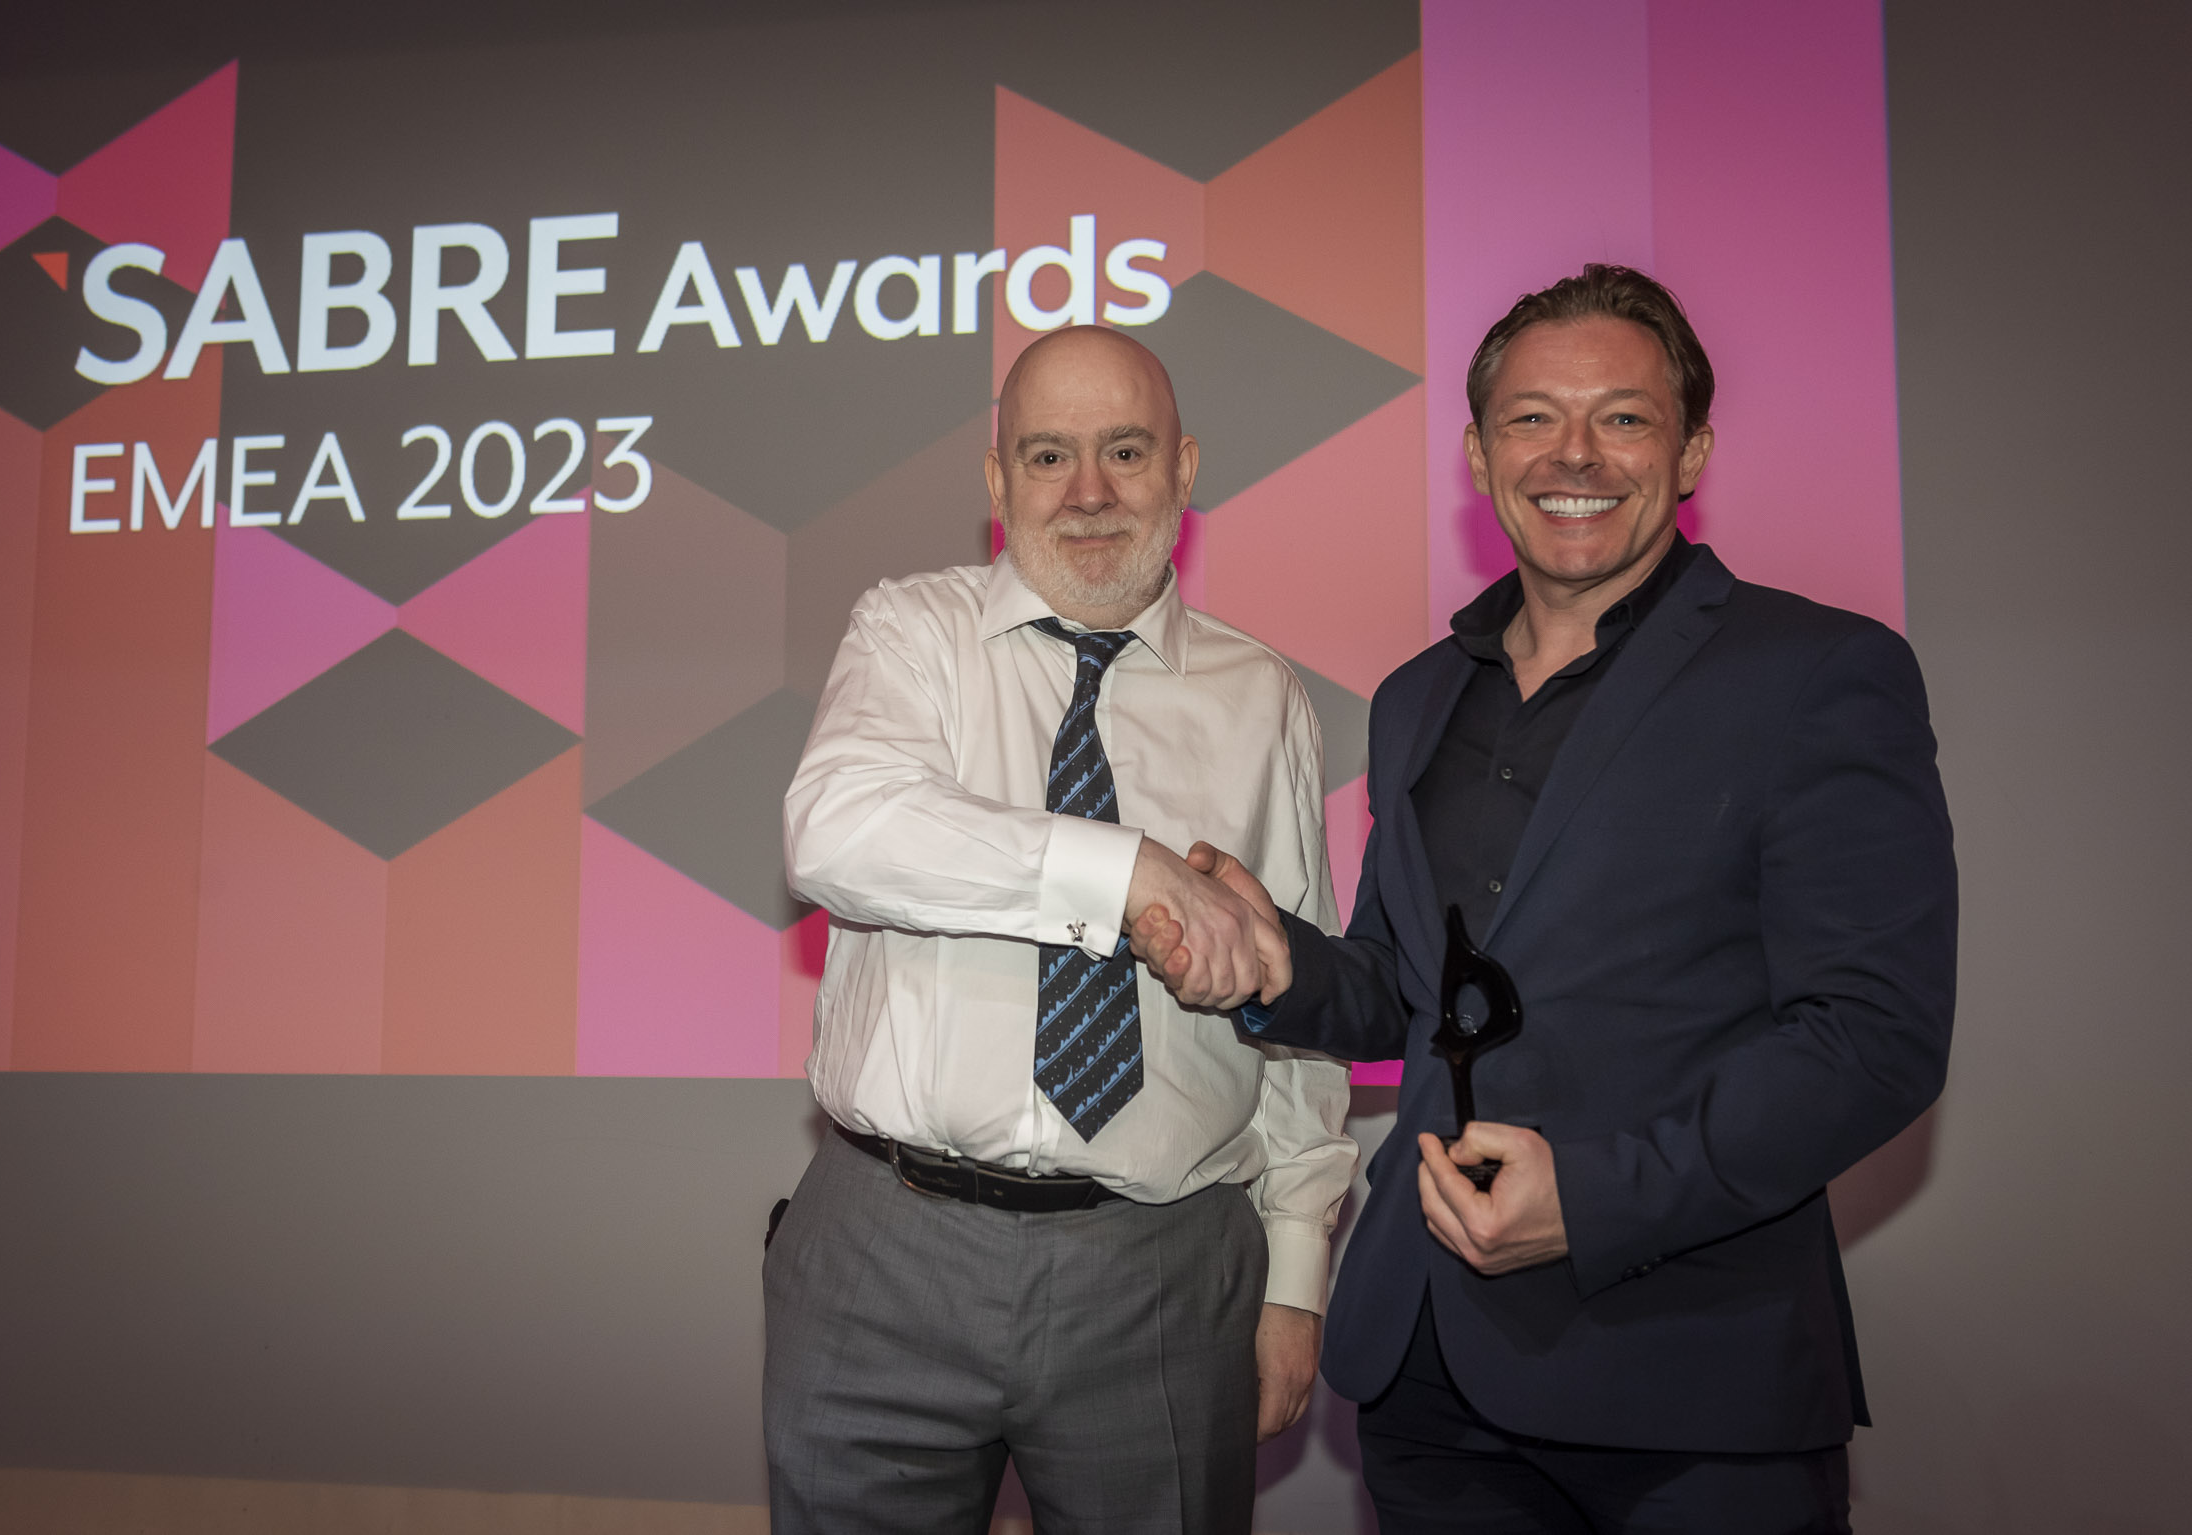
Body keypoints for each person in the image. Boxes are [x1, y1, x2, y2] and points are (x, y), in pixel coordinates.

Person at [1135, 265, 1956, 1533]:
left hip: (1687, 1381)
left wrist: (1595, 1197)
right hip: (1429, 1377)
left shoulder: (1817, 672)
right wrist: (1274, 958)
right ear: (1477, 453)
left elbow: (1873, 1035)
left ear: (1690, 452)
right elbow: (1406, 990)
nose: (1572, 453)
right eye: (1530, 417)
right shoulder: (1417, 697)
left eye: (1621, 417)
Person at [767, 324, 1355, 1535]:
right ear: (998, 481)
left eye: (1124, 451)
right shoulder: (910, 632)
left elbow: (1296, 1009)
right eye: (1047, 455)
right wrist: (1122, 870)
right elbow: (835, 830)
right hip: (884, 1247)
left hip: (1161, 1267)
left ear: (1182, 469)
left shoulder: (1261, 697)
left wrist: (1296, 1272)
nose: (1087, 491)